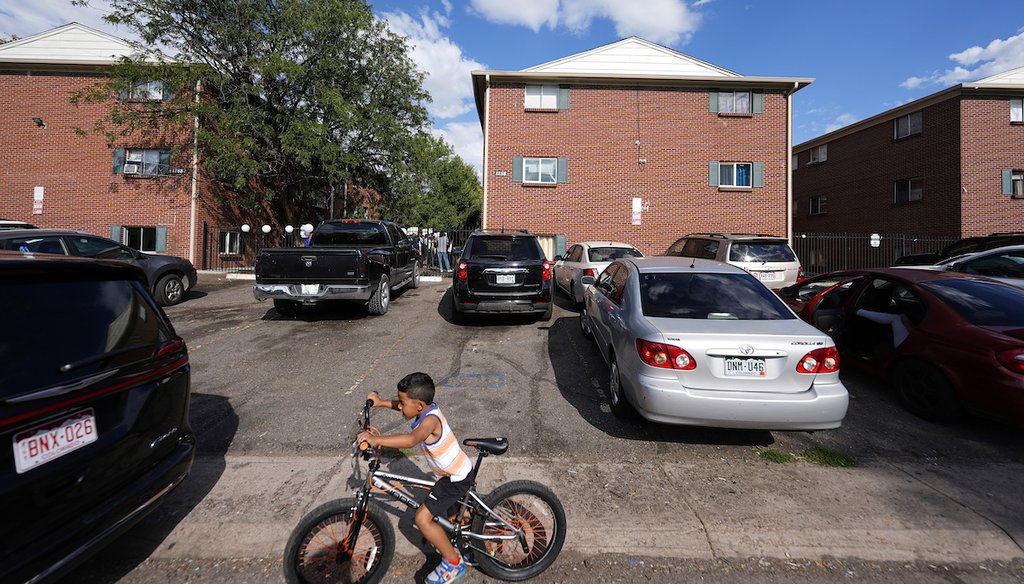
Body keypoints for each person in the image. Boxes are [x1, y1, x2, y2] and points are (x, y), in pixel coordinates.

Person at [357, 373, 472, 584]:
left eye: (402, 403)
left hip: (454, 478)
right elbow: (404, 406)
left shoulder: (430, 421)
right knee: (452, 516)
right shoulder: (425, 408)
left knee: (421, 519)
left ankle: (453, 563)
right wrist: (380, 402)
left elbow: (410, 440)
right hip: (453, 471)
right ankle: (465, 530)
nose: (399, 407)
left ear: (419, 405)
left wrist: (375, 439)